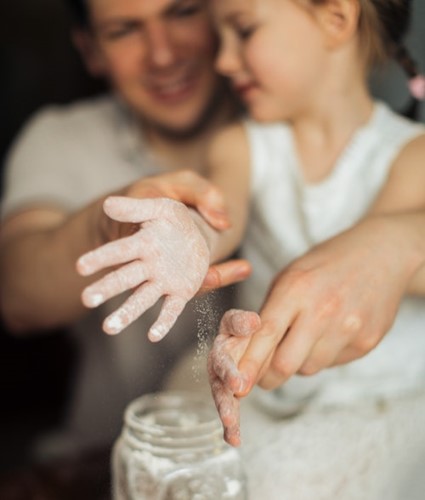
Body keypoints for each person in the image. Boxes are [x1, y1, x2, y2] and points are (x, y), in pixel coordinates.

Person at [76, 0, 425, 497]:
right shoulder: (241, 146)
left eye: (243, 31)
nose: (223, 61)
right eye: (221, 40)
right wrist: (189, 235)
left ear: (336, 20)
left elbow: (373, 268)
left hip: (384, 402)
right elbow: (221, 212)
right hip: (264, 392)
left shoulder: (413, 154)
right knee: (180, 462)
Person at [0, 0, 251, 461]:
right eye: (124, 31)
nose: (162, 54)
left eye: (182, 13)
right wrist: (107, 222)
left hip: (261, 446)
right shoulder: (60, 138)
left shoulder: (281, 118)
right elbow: (17, 296)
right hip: (109, 449)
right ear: (90, 50)